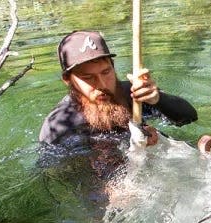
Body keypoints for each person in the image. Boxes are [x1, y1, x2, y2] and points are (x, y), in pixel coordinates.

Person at [39, 30, 197, 148]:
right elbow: (60, 174)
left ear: (113, 67)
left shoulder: (132, 93)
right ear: (68, 80)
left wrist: (157, 99)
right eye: (88, 78)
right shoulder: (60, 125)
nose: (101, 84)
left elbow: (188, 118)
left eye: (106, 72)